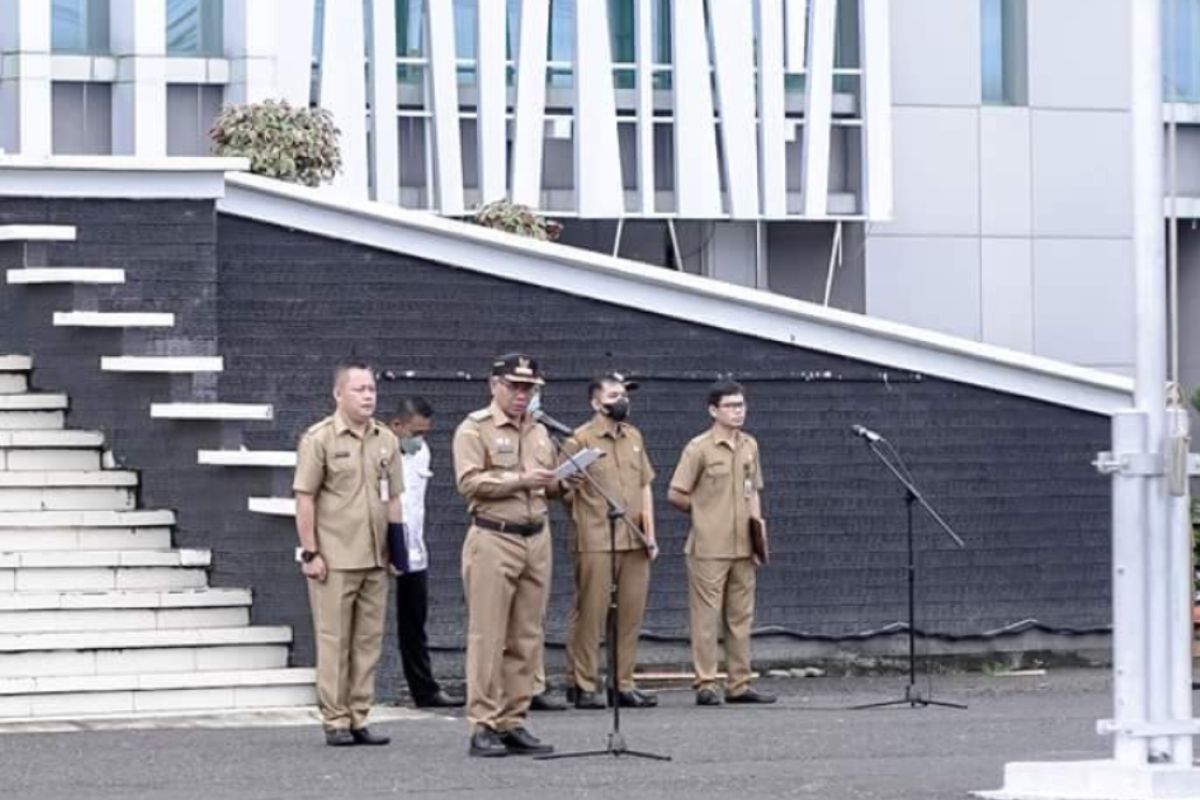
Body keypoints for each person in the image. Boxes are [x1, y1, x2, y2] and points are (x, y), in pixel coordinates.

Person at [452, 353, 564, 757]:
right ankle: (483, 724)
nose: (522, 395)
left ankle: (513, 719)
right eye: (515, 387)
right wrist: (521, 479)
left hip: (537, 536)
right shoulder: (474, 428)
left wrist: (564, 479)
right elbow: (469, 482)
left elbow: (548, 484)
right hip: (493, 537)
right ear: (494, 385)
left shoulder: (539, 431)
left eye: (529, 388)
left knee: (527, 635)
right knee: (488, 635)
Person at [294, 360, 405, 746]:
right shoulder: (319, 439)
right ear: (338, 394)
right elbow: (305, 498)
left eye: (372, 389)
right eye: (359, 389)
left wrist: (398, 551)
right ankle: (335, 718)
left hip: (376, 556)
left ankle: (360, 715)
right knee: (334, 640)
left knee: (368, 642)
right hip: (336, 557)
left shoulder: (386, 439)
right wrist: (311, 553)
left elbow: (394, 499)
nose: (368, 396)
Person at [668, 379, 776, 706]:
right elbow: (676, 493)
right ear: (713, 410)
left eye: (741, 405)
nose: (738, 412)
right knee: (706, 618)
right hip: (709, 546)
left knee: (741, 616)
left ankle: (739, 683)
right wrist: (703, 514)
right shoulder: (698, 448)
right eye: (730, 406)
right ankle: (706, 682)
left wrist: (759, 538)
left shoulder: (750, 445)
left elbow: (753, 490)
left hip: (743, 545)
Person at [561, 372, 659, 710]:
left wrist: (650, 533)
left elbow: (645, 484)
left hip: (633, 537)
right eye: (615, 395)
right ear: (595, 402)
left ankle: (623, 683)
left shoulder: (634, 436)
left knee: (630, 614)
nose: (622, 401)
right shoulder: (579, 439)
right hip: (596, 536)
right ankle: (583, 682)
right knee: (591, 613)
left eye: (625, 395)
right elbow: (560, 489)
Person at [387, 396, 464, 709]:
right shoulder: (377, 450)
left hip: (414, 546)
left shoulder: (421, 453)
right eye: (415, 432)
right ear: (397, 426)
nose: (420, 440)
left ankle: (424, 688)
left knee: (415, 622)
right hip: (385, 544)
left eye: (425, 433)